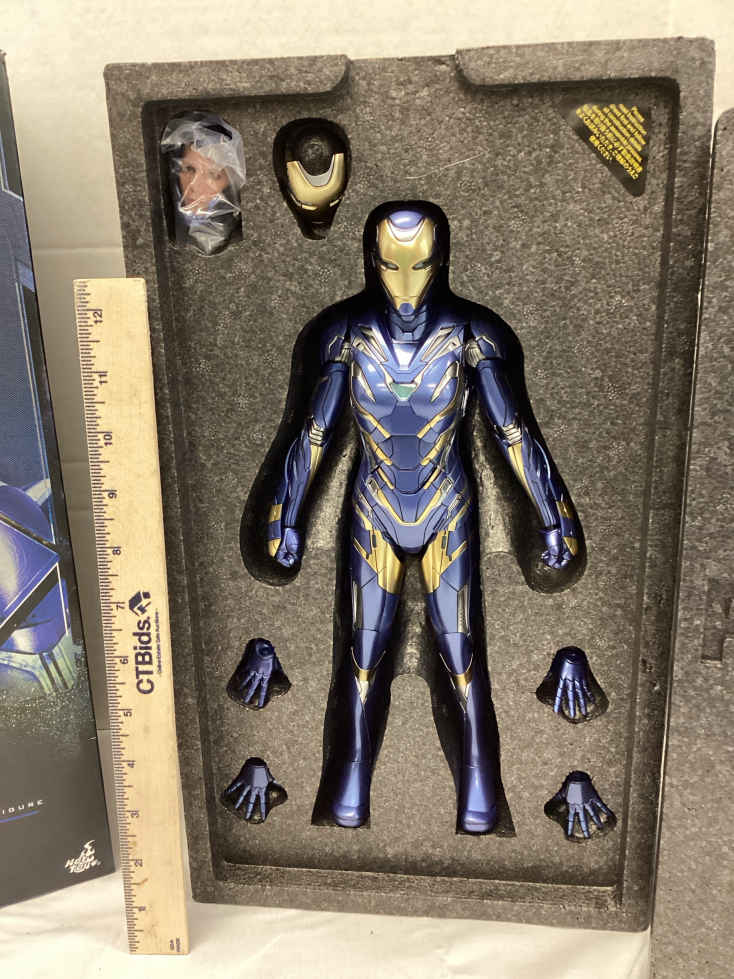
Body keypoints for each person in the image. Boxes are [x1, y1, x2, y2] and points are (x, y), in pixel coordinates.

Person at [267, 201, 582, 833]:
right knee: (361, 659)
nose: (406, 286)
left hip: (446, 506)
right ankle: (346, 800)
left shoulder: (474, 333)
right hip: (374, 506)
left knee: (462, 659)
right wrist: (285, 515)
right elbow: (314, 434)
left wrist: (554, 515)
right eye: (391, 266)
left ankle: (481, 805)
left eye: (420, 265)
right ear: (371, 261)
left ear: (441, 262)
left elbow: (515, 431)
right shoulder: (344, 331)